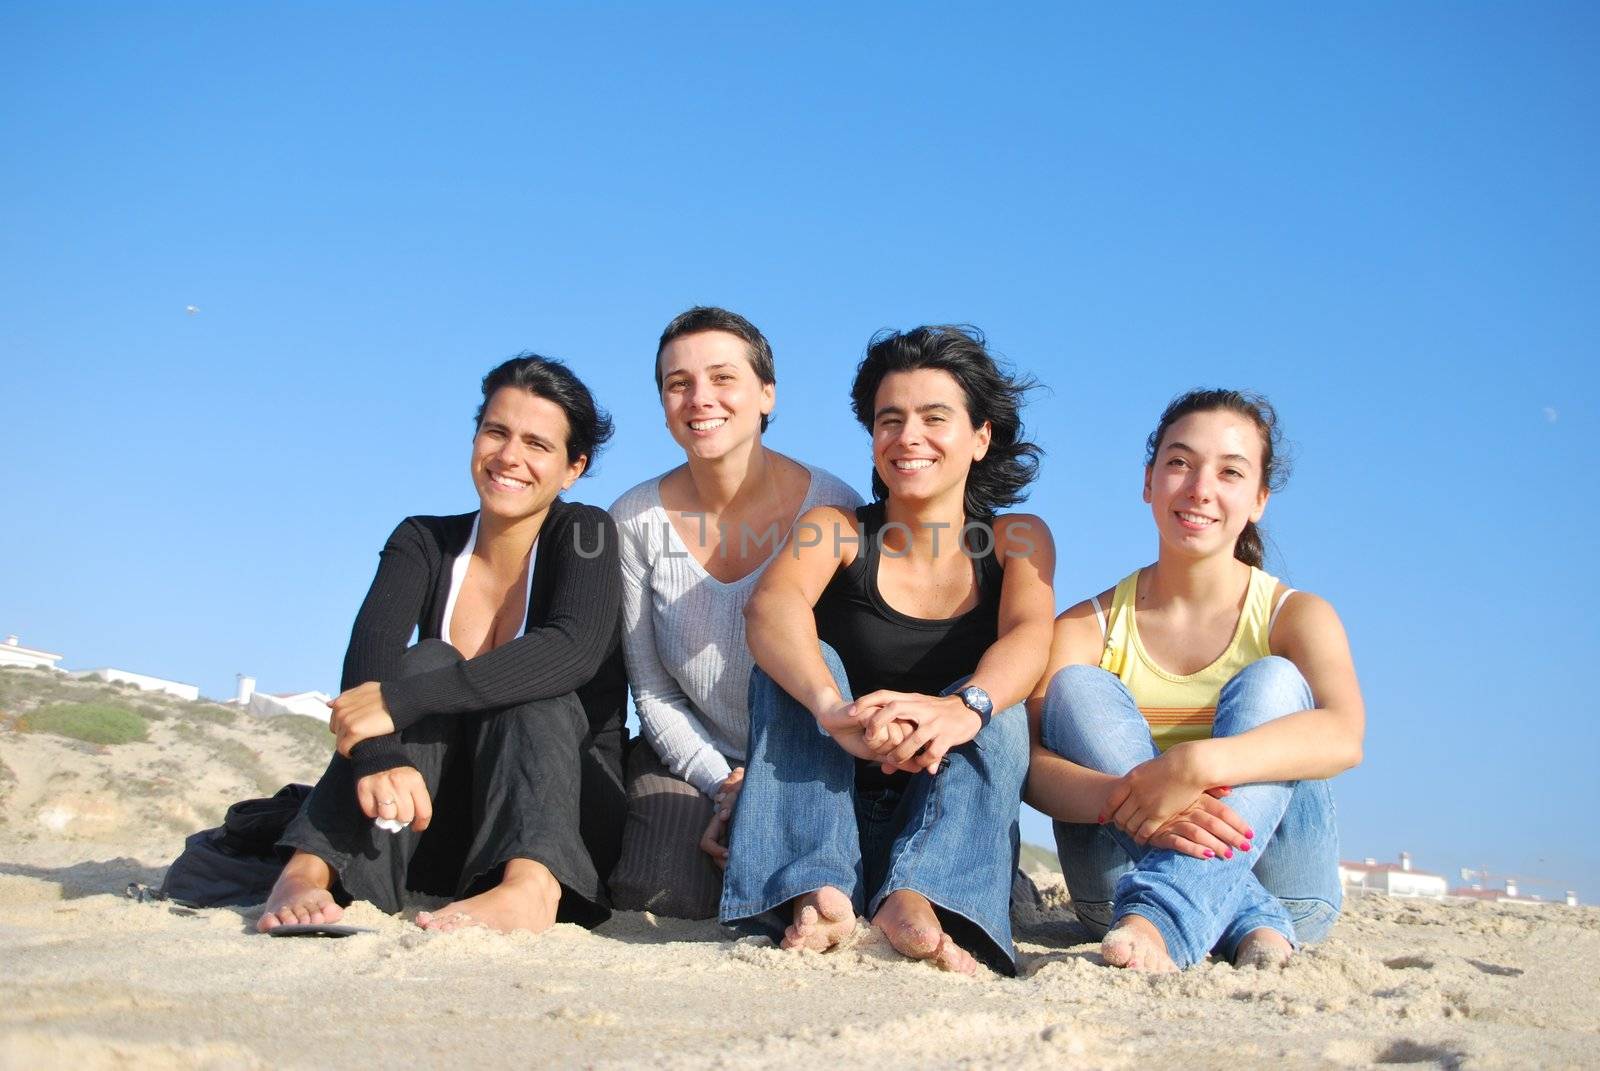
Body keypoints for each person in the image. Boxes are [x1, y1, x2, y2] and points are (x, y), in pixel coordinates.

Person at [256, 354, 628, 935]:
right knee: (427, 657)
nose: (509, 457)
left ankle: (527, 890)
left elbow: (571, 649)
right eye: (496, 432)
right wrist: (378, 754)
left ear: (572, 468)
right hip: (424, 813)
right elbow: (367, 667)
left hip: (558, 816)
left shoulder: (585, 533)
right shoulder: (423, 540)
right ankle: (310, 869)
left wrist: (405, 702)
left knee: (531, 686)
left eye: (538, 444)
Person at [723, 325, 1055, 976]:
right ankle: (819, 892)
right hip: (826, 810)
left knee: (1000, 707)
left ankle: (918, 896)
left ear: (981, 436)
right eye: (889, 419)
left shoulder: (1019, 537)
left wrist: (965, 708)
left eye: (935, 418)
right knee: (794, 666)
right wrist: (831, 709)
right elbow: (771, 607)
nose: (908, 437)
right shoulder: (836, 528)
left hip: (943, 824)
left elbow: (1029, 634)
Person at [1026, 388, 1364, 972]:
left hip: (1288, 887)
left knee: (1276, 682)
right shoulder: (1086, 626)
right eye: (1179, 463)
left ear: (1258, 499)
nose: (1200, 488)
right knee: (1077, 688)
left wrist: (1192, 768)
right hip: (1115, 889)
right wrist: (1127, 796)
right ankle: (1247, 922)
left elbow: (1344, 736)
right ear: (1149, 480)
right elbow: (1027, 766)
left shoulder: (1296, 616)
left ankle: (1163, 919)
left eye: (1230, 472)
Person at [608, 307, 860, 918]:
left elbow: (850, 663)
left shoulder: (835, 506)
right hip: (691, 756)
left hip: (810, 757)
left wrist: (770, 787)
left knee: (825, 893)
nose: (701, 399)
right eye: (678, 384)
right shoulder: (632, 520)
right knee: (660, 893)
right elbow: (653, 691)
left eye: (723, 378)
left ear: (766, 393)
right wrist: (722, 782)